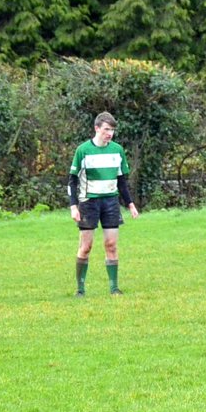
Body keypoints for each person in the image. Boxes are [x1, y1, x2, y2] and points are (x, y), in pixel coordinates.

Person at [67, 112, 139, 296]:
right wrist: (73, 206)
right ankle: (80, 289)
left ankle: (114, 288)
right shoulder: (83, 150)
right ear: (96, 128)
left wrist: (130, 204)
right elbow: (72, 181)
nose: (110, 133)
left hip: (110, 202)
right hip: (88, 202)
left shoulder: (117, 150)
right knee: (86, 247)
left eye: (112, 130)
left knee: (111, 244)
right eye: (106, 129)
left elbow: (122, 181)